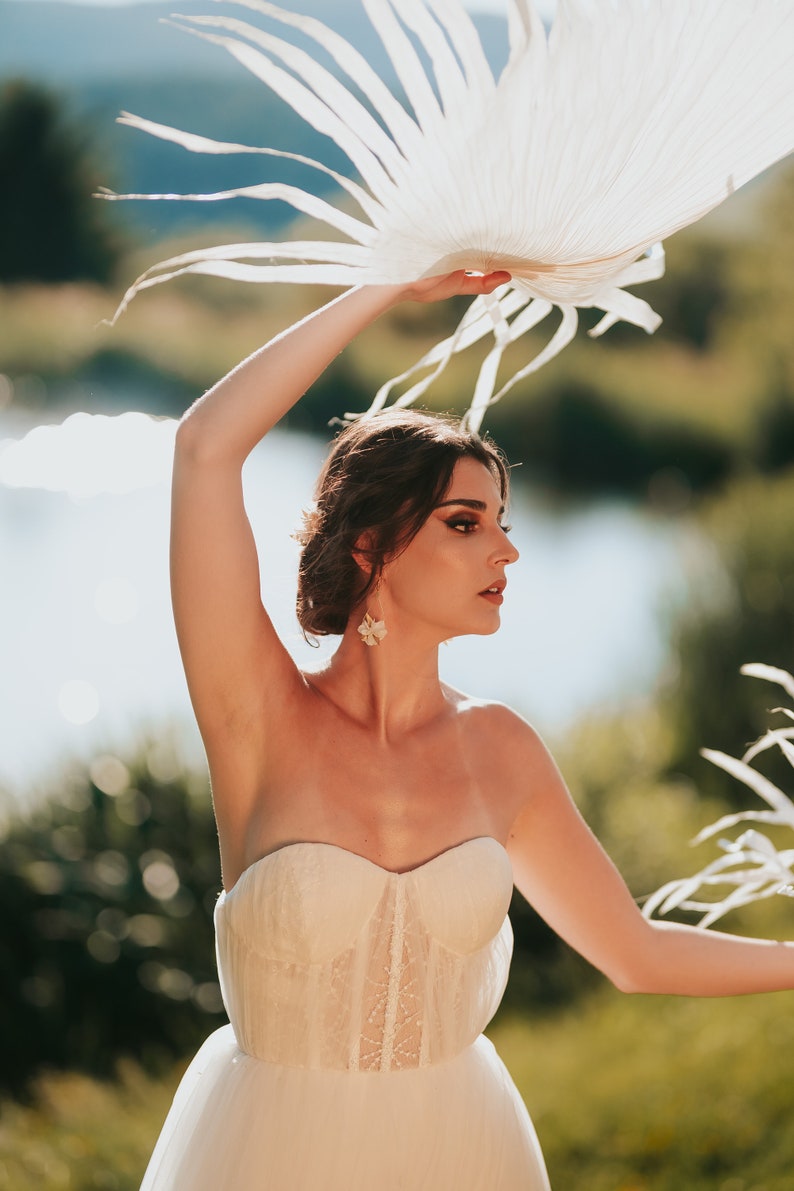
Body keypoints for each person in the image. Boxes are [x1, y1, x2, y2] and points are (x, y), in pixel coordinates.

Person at [141, 271, 794, 1190]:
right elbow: (206, 447)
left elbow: (637, 954)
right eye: (465, 521)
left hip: (463, 1151)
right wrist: (388, 287)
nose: (507, 548)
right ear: (372, 546)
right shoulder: (259, 714)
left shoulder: (502, 749)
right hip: (269, 1156)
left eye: (504, 520)